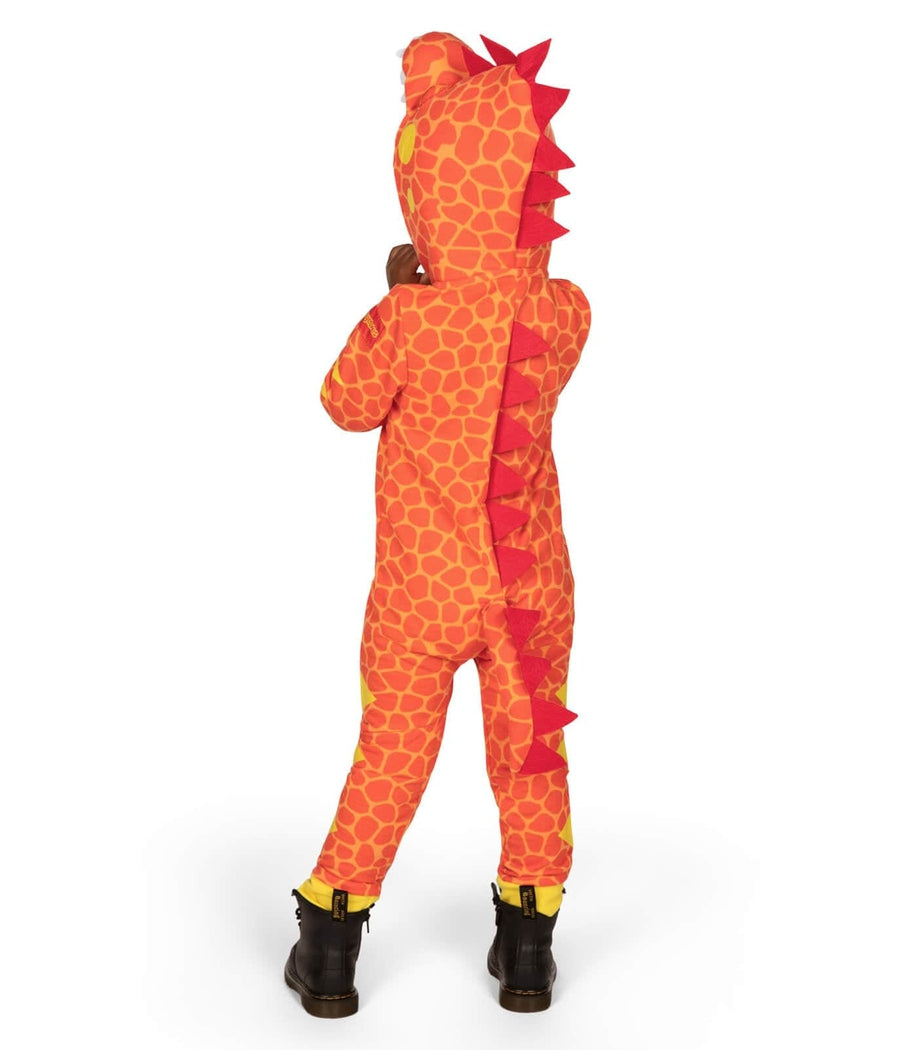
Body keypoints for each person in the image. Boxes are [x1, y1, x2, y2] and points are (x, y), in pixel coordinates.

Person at [284, 30, 591, 1017]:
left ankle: (330, 944)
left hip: (424, 590)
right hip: (530, 588)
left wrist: (403, 291)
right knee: (531, 756)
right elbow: (512, 311)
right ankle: (529, 950)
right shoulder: (565, 313)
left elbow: (343, 402)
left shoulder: (408, 324)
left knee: (391, 756)